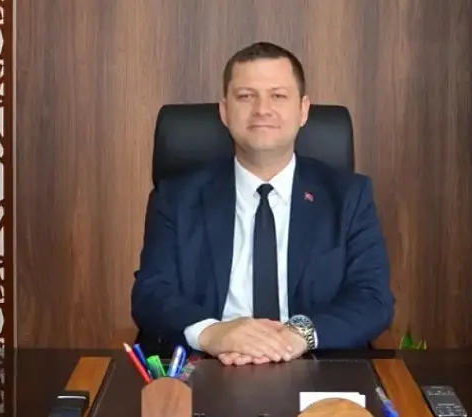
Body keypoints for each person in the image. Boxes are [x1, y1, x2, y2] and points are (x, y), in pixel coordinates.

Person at [131, 41, 395, 366]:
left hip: (316, 365)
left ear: (303, 110)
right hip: (209, 367)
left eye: (278, 96)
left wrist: (298, 336)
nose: (262, 109)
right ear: (225, 111)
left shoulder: (348, 196)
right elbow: (152, 292)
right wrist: (213, 333)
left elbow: (373, 298)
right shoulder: (177, 197)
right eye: (246, 96)